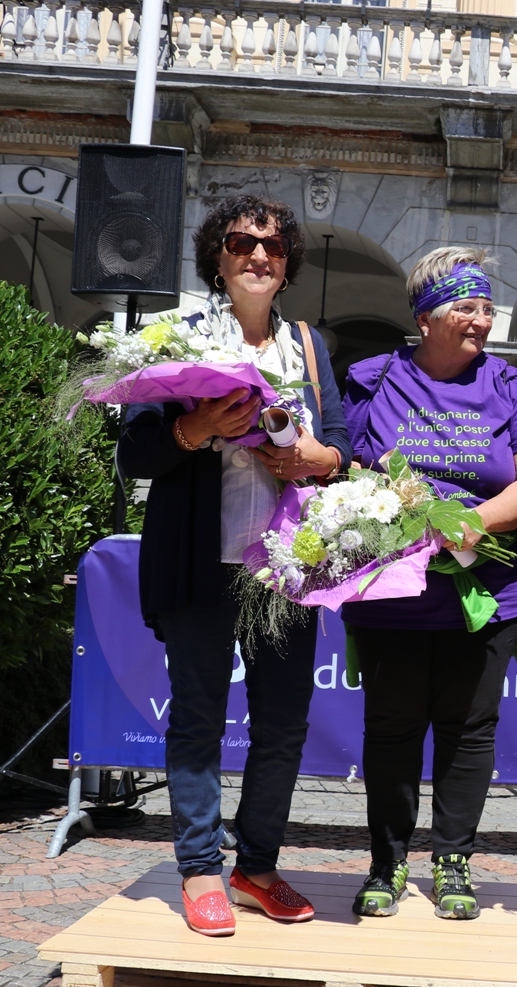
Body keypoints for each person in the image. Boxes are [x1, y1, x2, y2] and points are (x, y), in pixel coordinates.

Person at [117, 194, 350, 936]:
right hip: (200, 562)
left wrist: (318, 457)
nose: (259, 256)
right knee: (197, 719)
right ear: (217, 257)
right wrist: (194, 428)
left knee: (283, 725)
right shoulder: (177, 339)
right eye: (243, 243)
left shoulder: (308, 348)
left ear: (287, 266)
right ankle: (198, 869)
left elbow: (343, 448)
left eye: (273, 247)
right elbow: (134, 452)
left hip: (284, 567)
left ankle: (256, 868)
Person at [339, 247, 517, 920]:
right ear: (425, 318)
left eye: (487, 308)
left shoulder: (511, 386)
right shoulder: (372, 380)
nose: (481, 320)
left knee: (469, 728)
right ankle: (387, 861)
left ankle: (454, 862)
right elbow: (344, 472)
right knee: (391, 728)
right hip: (392, 592)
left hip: (484, 590)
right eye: (466, 307)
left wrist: (464, 525)